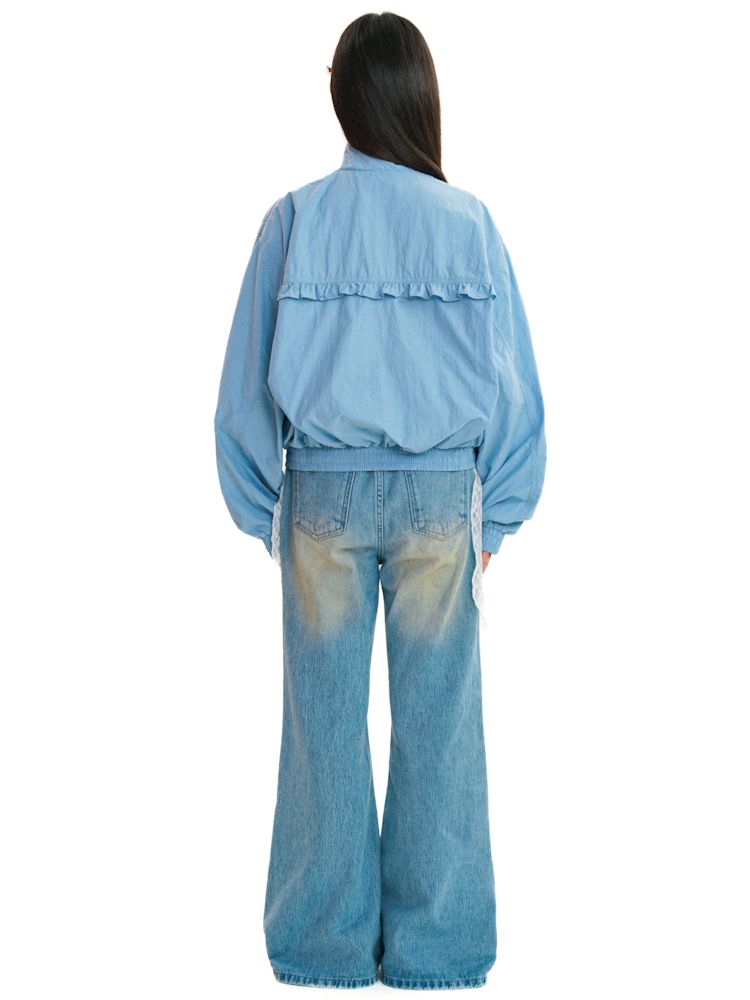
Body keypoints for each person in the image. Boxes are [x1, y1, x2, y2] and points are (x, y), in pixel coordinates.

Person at [213, 12, 547, 991]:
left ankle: (323, 948)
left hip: (319, 493)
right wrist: (500, 511)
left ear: (344, 97)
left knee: (319, 729)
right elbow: (514, 383)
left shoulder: (294, 219)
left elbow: (242, 391)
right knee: (441, 725)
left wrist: (266, 512)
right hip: (442, 499)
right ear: (420, 98)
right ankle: (436, 951)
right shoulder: (470, 223)